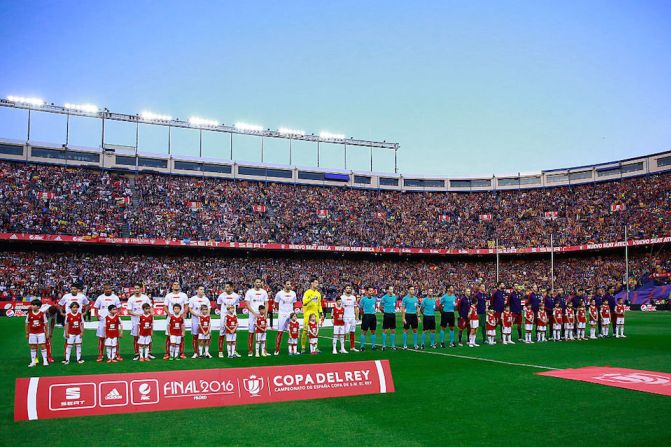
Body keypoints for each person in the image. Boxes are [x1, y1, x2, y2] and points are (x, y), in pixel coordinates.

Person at [94, 284, 122, 362]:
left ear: (111, 289)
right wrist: (97, 315)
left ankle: (117, 354)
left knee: (115, 338)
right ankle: (100, 355)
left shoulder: (115, 297)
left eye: (109, 289)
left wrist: (118, 315)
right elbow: (96, 307)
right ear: (104, 290)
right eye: (106, 289)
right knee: (102, 338)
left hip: (113, 321)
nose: (108, 290)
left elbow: (119, 308)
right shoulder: (100, 297)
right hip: (103, 320)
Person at [164, 281, 188, 359]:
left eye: (178, 284)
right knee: (168, 335)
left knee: (181, 336)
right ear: (172, 286)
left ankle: (181, 353)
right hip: (171, 318)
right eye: (174, 284)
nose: (176, 286)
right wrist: (169, 314)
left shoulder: (184, 295)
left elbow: (186, 305)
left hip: (180, 318)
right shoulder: (168, 296)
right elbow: (165, 306)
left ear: (179, 286)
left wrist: (184, 313)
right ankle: (167, 353)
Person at [127, 284, 152, 361]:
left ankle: (148, 353)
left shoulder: (145, 298)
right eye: (135, 288)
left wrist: (150, 316)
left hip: (146, 321)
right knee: (136, 337)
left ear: (141, 289)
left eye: (138, 288)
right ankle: (137, 354)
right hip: (135, 321)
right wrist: (138, 314)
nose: (136, 290)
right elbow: (129, 311)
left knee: (148, 336)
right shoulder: (131, 299)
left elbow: (150, 308)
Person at [245, 277, 269, 357]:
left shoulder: (264, 292)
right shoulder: (249, 292)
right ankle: (250, 350)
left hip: (262, 315)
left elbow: (266, 303)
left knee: (263, 332)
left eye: (259, 282)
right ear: (254, 283)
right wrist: (254, 313)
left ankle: (263, 350)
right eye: (257, 282)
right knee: (251, 332)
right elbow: (247, 304)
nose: (258, 283)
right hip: (253, 315)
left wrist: (265, 314)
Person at [217, 282, 241, 357]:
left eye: (227, 287)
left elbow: (236, 305)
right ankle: (220, 351)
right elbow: (218, 305)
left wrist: (232, 313)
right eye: (225, 287)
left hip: (233, 315)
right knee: (222, 332)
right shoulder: (221, 296)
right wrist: (224, 312)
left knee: (234, 333)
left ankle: (233, 351)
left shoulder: (236, 296)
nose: (226, 288)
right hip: (224, 316)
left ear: (231, 287)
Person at [273, 280, 297, 355]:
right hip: (282, 314)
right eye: (288, 284)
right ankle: (277, 350)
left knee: (293, 331)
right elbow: (276, 303)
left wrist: (293, 312)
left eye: (290, 284)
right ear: (284, 285)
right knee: (280, 332)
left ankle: (293, 349)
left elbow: (294, 303)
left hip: (290, 313)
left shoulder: (293, 293)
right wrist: (279, 310)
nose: (289, 285)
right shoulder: (279, 293)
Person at [301, 278, 324, 353]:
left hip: (316, 314)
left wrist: (321, 313)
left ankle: (315, 347)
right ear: (311, 283)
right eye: (316, 282)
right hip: (308, 314)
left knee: (316, 331)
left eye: (317, 283)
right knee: (305, 331)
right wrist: (311, 298)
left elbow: (319, 304)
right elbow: (304, 302)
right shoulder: (307, 292)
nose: (317, 284)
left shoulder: (318, 293)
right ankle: (303, 347)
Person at [188, 286, 211, 358]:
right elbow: (190, 309)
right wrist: (197, 315)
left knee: (207, 336)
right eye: (201, 289)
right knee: (195, 336)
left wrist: (206, 316)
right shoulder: (193, 299)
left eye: (203, 289)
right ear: (197, 290)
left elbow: (209, 308)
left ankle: (206, 352)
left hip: (205, 320)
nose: (202, 290)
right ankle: (195, 352)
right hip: (195, 319)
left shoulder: (206, 299)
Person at [26, 299, 49, 367]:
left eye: (34, 305)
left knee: (42, 345)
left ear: (38, 307)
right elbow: (27, 324)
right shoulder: (29, 314)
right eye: (32, 305)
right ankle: (33, 361)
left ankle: (45, 360)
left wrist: (47, 333)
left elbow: (46, 324)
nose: (32, 306)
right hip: (32, 333)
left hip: (41, 332)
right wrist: (27, 333)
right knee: (33, 346)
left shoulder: (42, 314)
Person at [359, 286, 378, 351]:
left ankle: (373, 346)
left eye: (372, 291)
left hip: (373, 316)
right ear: (367, 291)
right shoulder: (363, 299)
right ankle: (362, 346)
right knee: (364, 331)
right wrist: (364, 315)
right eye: (370, 291)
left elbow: (375, 307)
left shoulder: (374, 299)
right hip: (366, 316)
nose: (371, 292)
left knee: (373, 331)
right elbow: (360, 308)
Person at [341, 285, 359, 352]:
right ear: (345, 290)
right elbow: (340, 307)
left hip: (352, 317)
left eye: (349, 288)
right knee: (344, 332)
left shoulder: (353, 297)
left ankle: (352, 347)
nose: (348, 289)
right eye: (347, 288)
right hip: (345, 317)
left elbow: (355, 307)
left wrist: (356, 316)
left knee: (352, 332)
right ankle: (342, 348)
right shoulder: (342, 297)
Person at [379, 286, 397, 351]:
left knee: (393, 330)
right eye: (390, 289)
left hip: (393, 314)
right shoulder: (384, 298)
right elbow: (380, 307)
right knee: (385, 330)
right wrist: (385, 312)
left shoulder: (395, 297)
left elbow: (395, 305)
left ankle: (393, 345)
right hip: (386, 315)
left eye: (392, 289)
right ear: (387, 290)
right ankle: (383, 345)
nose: (392, 290)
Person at [401, 286, 420, 350]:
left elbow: (417, 308)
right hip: (408, 315)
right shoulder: (405, 298)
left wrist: (418, 316)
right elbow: (403, 309)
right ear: (408, 290)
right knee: (406, 330)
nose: (413, 290)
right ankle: (405, 345)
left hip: (414, 315)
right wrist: (403, 318)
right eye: (411, 289)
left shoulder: (416, 299)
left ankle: (415, 345)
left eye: (413, 289)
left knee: (415, 330)